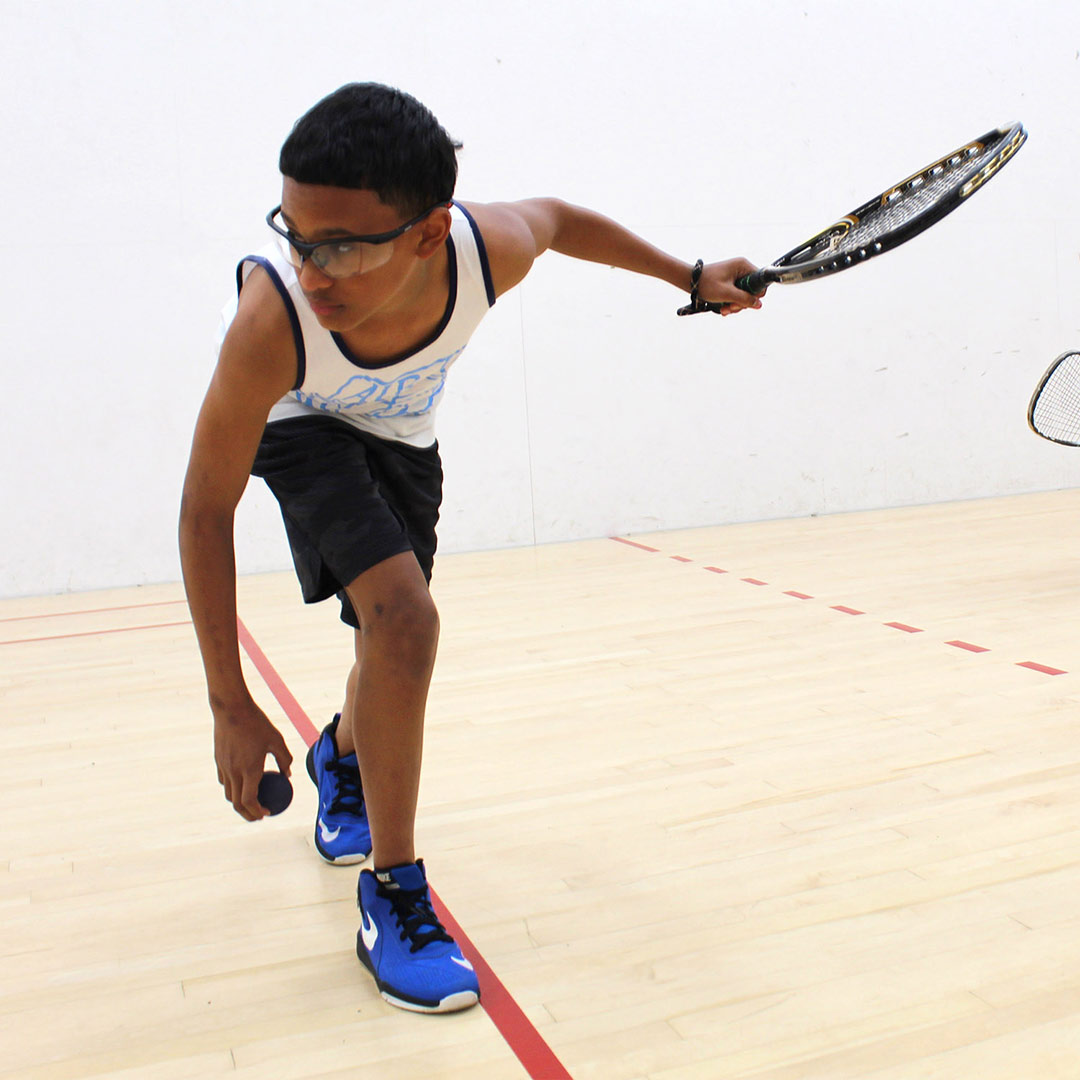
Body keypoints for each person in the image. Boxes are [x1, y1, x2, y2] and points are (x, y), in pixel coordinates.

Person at [178, 81, 762, 1015]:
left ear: (425, 232)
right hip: (302, 428)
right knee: (407, 621)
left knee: (388, 639)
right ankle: (395, 895)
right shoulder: (271, 323)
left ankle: (342, 757)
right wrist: (228, 701)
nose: (309, 267)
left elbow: (563, 219)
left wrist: (689, 277)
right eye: (292, 234)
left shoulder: (489, 249)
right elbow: (205, 510)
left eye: (337, 245)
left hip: (406, 440)